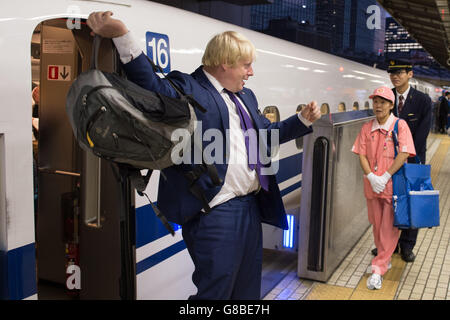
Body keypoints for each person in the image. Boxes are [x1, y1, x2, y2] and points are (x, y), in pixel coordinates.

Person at [87, 11, 321, 300]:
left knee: (247, 290)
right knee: (215, 292)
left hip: (249, 206)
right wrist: (122, 33)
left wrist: (303, 121)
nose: (251, 72)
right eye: (246, 65)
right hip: (214, 212)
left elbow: (266, 136)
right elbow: (150, 84)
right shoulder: (188, 88)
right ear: (225, 63)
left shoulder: (246, 97)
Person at [352, 86, 416, 290]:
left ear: (390, 105)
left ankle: (378, 269)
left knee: (389, 228)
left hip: (392, 187)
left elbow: (404, 153)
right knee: (377, 225)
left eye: (382, 102)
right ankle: (384, 256)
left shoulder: (400, 125)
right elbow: (361, 153)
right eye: (375, 102)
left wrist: (386, 175)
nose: (378, 106)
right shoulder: (366, 128)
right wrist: (371, 176)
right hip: (372, 186)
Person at [371, 60, 432, 262]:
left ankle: (407, 245)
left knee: (410, 202)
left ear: (410, 74)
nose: (395, 76)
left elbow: (421, 134)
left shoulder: (422, 100)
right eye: (391, 73)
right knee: (389, 204)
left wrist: (405, 155)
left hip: (412, 161)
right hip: (387, 161)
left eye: (399, 72)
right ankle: (389, 243)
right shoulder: (385, 97)